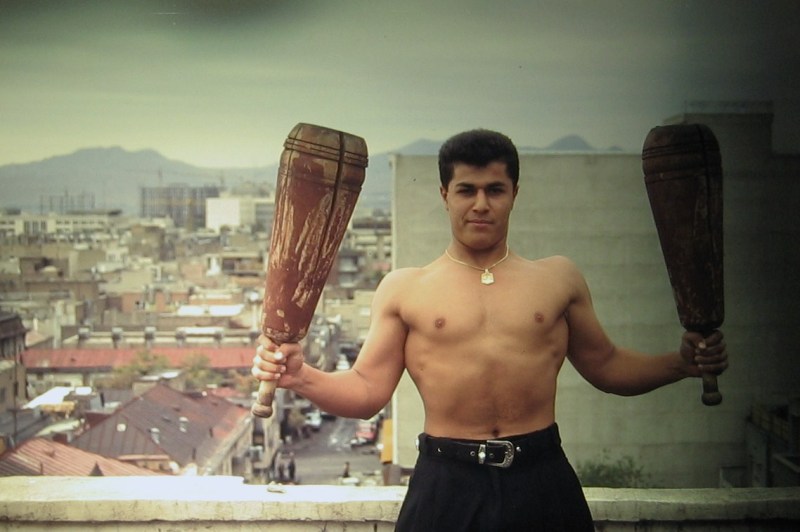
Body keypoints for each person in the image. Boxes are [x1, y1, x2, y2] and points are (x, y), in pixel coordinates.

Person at [252, 129, 728, 531]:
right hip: (445, 482)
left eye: (495, 190)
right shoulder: (404, 289)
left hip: (541, 478)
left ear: (514, 193)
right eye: (467, 190)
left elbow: (606, 366)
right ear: (445, 195)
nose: (480, 204)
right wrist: (300, 376)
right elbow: (366, 391)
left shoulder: (558, 279)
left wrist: (680, 364)